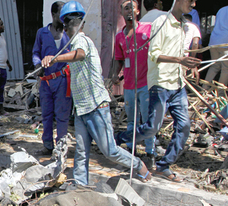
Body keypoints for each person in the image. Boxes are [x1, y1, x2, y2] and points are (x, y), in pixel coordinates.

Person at [43, 1, 152, 186]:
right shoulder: (73, 44)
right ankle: (80, 186)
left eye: (73, 23)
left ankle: (139, 166)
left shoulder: (81, 41)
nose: (71, 27)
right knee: (82, 151)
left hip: (95, 106)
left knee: (109, 150)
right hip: (82, 109)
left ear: (80, 25)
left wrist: (55, 59)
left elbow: (80, 54)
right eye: (69, 23)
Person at [116, 0, 201, 182]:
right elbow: (153, 54)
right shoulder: (161, 23)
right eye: (190, 0)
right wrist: (180, 60)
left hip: (178, 84)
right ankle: (118, 139)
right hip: (160, 84)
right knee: (151, 128)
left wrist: (189, 65)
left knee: (184, 126)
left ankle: (163, 165)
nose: (193, 4)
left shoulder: (183, 26)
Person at [112, 0, 156, 167]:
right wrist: (116, 74)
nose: (129, 11)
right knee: (131, 121)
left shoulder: (148, 29)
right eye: (125, 9)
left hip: (146, 84)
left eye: (132, 8)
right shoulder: (120, 36)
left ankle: (150, 153)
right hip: (129, 85)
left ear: (138, 11)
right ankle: (131, 151)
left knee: (147, 122)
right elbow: (119, 59)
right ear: (121, 13)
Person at [32, 1, 72, 156]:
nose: (64, 17)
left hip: (62, 80)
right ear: (54, 14)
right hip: (46, 81)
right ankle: (47, 145)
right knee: (47, 114)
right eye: (61, 13)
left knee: (62, 114)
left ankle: (60, 147)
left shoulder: (69, 33)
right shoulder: (42, 33)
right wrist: (37, 65)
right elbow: (36, 52)